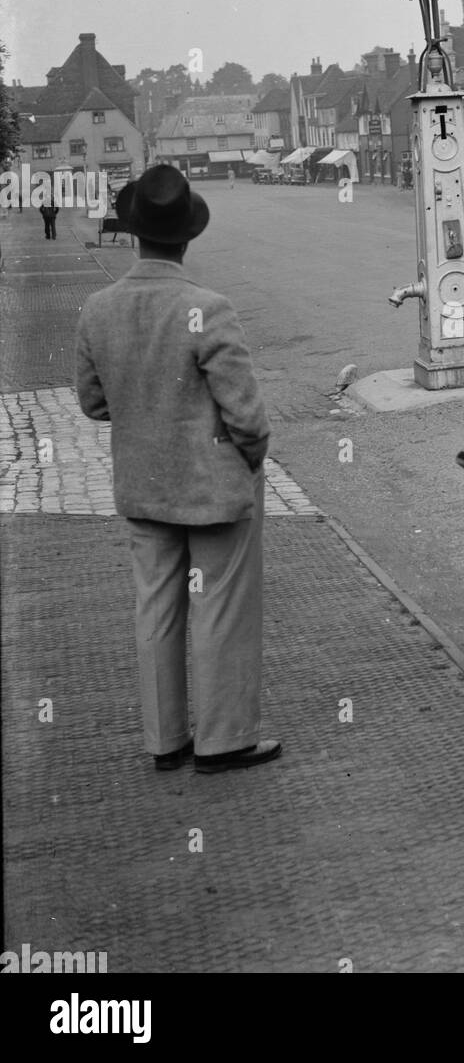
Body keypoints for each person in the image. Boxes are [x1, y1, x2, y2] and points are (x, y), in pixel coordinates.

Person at [75, 165, 281, 774]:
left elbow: (93, 401)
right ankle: (224, 741)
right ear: (186, 238)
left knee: (156, 608)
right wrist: (246, 460)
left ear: (134, 233)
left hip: (143, 485)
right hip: (213, 489)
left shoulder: (98, 308)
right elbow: (247, 416)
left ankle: (166, 740)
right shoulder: (206, 308)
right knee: (219, 606)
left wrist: (145, 416)